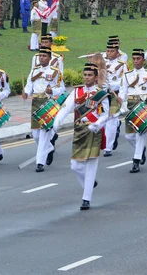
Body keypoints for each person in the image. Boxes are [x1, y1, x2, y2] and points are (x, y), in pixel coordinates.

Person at [53, 63, 109, 211]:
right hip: (79, 131)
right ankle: (90, 185)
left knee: (91, 165)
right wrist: (57, 120)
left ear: (96, 77)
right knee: (75, 166)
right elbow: (66, 107)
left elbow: (105, 115)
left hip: (93, 132)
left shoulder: (101, 94)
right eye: (85, 75)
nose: (86, 78)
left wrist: (98, 124)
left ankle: (86, 198)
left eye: (90, 75)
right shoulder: (77, 92)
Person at [22, 47, 66, 172]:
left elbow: (62, 89)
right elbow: (29, 85)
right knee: (35, 134)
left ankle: (40, 162)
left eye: (44, 56)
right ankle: (50, 147)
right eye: (40, 55)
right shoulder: (34, 70)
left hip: (48, 102)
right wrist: (26, 92)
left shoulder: (55, 71)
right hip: (36, 102)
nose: (41, 58)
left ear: (49, 57)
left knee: (44, 134)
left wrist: (52, 90)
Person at [119, 48, 147, 173]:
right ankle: (140, 150)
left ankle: (136, 161)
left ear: (143, 60)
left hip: (143, 106)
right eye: (134, 59)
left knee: (140, 135)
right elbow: (123, 92)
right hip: (130, 106)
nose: (135, 61)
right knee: (129, 136)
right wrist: (119, 103)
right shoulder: (127, 75)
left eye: (138, 59)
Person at [102, 41, 129, 157]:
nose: (109, 53)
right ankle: (105, 141)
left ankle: (108, 147)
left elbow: (124, 81)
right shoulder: (101, 63)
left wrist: (120, 95)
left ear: (118, 53)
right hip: (102, 95)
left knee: (111, 120)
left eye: (112, 51)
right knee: (102, 119)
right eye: (107, 51)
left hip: (115, 94)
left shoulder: (122, 64)